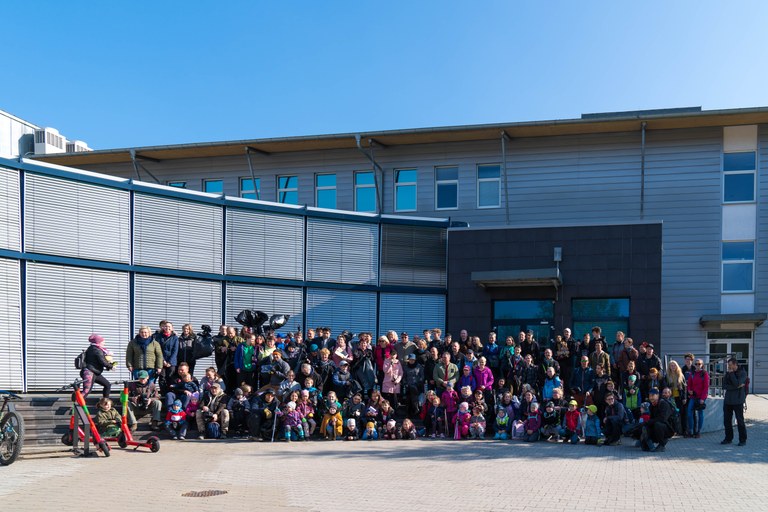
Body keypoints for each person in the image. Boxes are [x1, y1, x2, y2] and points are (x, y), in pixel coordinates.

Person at [721, 358, 747, 446]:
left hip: (738, 400)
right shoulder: (728, 373)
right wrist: (736, 386)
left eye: (730, 365)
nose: (729, 366)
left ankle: (742, 440)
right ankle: (728, 438)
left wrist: (732, 374)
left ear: (735, 364)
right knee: (727, 421)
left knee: (740, 421)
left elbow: (737, 383)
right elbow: (723, 386)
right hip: (728, 400)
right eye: (728, 365)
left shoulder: (742, 373)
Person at [81, 333, 116, 398]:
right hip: (90, 373)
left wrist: (109, 364)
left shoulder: (92, 348)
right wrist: (111, 366)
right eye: (102, 342)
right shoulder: (97, 350)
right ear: (98, 342)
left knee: (107, 385)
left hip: (95, 372)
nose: (104, 343)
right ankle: (76, 403)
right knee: (86, 391)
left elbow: (100, 361)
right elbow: (103, 362)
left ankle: (105, 402)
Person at [686, 358, 710, 438]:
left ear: (702, 365)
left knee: (700, 414)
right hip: (693, 396)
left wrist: (702, 399)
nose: (697, 365)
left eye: (699, 364)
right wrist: (689, 390)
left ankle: (698, 431)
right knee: (689, 412)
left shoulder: (704, 374)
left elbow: (706, 388)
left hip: (701, 397)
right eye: (696, 364)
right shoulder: (692, 373)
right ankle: (691, 430)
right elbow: (689, 384)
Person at [154, 320, 179, 390]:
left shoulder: (175, 338)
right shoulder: (159, 337)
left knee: (170, 377)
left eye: (169, 326)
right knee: (162, 377)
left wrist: (170, 362)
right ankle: (163, 392)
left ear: (172, 328)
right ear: (163, 327)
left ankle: (170, 392)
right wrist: (163, 361)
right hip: (161, 361)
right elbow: (158, 350)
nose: (167, 328)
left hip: (172, 362)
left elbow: (175, 351)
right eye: (165, 326)